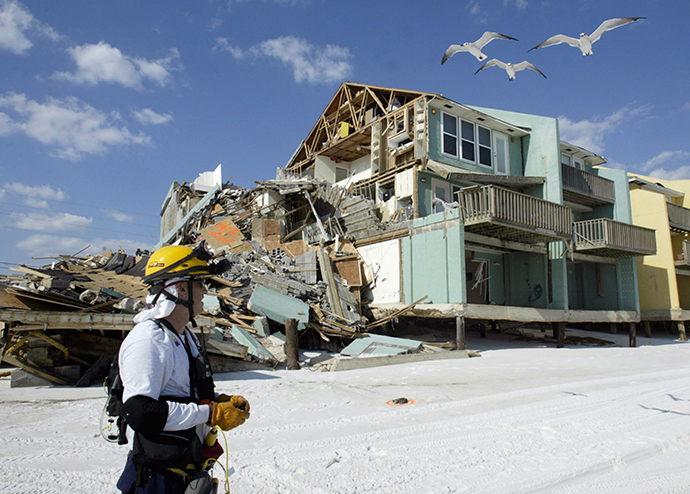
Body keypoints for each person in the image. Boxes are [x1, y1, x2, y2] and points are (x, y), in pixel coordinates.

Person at [116, 242, 250, 494]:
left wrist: (221, 402)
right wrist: (210, 413)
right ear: (180, 289)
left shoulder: (183, 336)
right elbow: (141, 412)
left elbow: (181, 392)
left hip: (187, 472)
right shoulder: (149, 340)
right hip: (157, 481)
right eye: (199, 283)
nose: (204, 291)